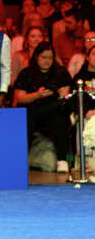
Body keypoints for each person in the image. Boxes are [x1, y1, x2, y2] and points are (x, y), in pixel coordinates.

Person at [13, 42, 72, 172]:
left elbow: (66, 95)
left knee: (59, 120)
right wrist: (37, 95)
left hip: (53, 110)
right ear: (36, 57)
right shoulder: (27, 73)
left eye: (50, 58)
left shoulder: (60, 72)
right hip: (32, 110)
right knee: (26, 120)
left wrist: (60, 94)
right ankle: (20, 160)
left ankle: (62, 160)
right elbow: (20, 98)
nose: (47, 61)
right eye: (44, 57)